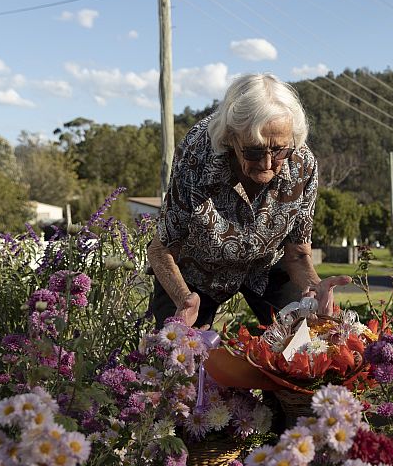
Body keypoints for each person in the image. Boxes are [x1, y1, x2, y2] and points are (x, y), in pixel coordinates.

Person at [147, 73, 350, 329]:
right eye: (254, 150)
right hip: (196, 272)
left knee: (303, 340)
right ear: (231, 138)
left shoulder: (302, 164)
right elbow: (161, 248)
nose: (267, 164)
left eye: (278, 150)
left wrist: (314, 286)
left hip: (267, 267)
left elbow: (297, 254)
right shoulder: (197, 154)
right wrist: (183, 299)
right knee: (178, 356)